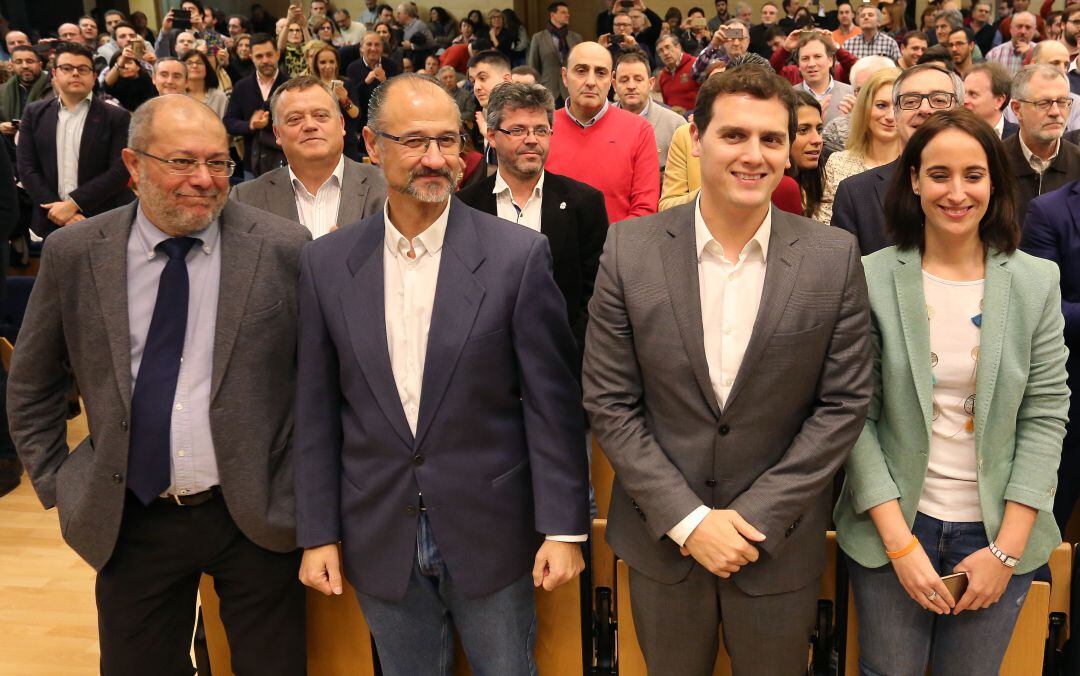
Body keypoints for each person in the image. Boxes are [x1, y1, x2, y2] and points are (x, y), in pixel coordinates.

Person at [294, 73, 589, 676]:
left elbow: (551, 406)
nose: (435, 160)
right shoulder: (326, 263)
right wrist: (317, 532)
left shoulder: (517, 257)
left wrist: (564, 527)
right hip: (378, 529)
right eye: (414, 142)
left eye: (448, 141)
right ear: (372, 146)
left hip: (493, 528)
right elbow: (317, 411)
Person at [583, 63, 872, 675]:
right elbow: (610, 401)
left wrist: (754, 519)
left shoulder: (832, 256)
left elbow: (844, 404)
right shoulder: (629, 249)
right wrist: (689, 522)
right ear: (696, 136)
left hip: (778, 546)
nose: (755, 155)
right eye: (735, 135)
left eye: (772, 139)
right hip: (664, 544)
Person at [834, 107, 1069, 676]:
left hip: (996, 530)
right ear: (913, 180)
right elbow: (853, 418)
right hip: (895, 523)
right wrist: (900, 545)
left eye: (974, 174)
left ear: (994, 181)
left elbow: (1044, 415)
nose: (957, 191)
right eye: (939, 175)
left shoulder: (1036, 281)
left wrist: (1005, 551)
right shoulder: (869, 276)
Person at [456, 82, 607, 358]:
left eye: (541, 130)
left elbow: (596, 295)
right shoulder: (465, 207)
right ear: (491, 135)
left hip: (564, 363)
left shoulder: (584, 203)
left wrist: (565, 353)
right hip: (484, 366)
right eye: (517, 130)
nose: (532, 139)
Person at [831, 63, 964, 254]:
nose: (925, 109)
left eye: (939, 100)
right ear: (896, 114)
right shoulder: (856, 194)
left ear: (959, 110)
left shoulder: (987, 186)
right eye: (910, 101)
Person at [231, 75, 386, 236]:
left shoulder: (387, 188)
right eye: (295, 119)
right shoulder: (245, 199)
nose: (310, 125)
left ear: (341, 124)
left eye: (321, 116)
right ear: (277, 133)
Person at [16, 42, 134, 239]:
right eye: (67, 68)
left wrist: (73, 205)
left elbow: (119, 171)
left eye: (83, 69)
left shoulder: (117, 117)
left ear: (94, 76)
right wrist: (58, 211)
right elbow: (27, 168)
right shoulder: (34, 113)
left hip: (102, 218)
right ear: (54, 74)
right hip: (49, 219)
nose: (75, 73)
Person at [546, 42, 659, 223]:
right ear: (565, 77)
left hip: (618, 248)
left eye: (600, 73)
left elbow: (644, 208)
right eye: (581, 71)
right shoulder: (543, 128)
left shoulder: (639, 130)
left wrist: (613, 249)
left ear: (611, 81)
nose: (591, 82)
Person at [818, 68, 901, 224]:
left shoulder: (917, 168)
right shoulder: (837, 163)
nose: (890, 116)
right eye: (881, 105)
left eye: (897, 107)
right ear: (865, 108)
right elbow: (824, 227)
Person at [1003, 64, 1080, 222]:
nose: (1055, 112)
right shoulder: (994, 162)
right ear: (1017, 109)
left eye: (1062, 102)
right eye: (1043, 103)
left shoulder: (1078, 162)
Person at [224, 33, 289, 178]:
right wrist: (250, 125)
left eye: (269, 55)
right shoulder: (242, 87)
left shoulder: (290, 85)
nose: (265, 60)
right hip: (251, 165)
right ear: (251, 57)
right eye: (259, 56)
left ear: (277, 55)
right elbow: (228, 121)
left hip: (286, 161)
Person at [613, 50, 686, 172]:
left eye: (638, 79)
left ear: (651, 83)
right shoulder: (600, 121)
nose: (631, 86)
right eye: (624, 80)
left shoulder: (675, 125)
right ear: (614, 85)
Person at [346, 31, 403, 149]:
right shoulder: (353, 67)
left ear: (382, 48)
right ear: (361, 48)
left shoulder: (392, 66)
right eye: (369, 44)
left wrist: (385, 82)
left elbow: (398, 97)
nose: (373, 48)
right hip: (362, 122)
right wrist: (366, 82)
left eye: (377, 45)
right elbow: (352, 98)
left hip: (387, 122)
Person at [528, 2, 582, 105]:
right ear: (553, 15)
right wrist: (535, 89)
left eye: (568, 12)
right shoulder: (539, 37)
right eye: (563, 12)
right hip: (548, 88)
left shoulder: (576, 38)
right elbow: (533, 66)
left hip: (570, 89)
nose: (567, 15)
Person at [0, 45, 50, 141]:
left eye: (30, 61)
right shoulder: (2, 91)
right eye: (18, 62)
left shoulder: (54, 88)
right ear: (11, 65)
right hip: (8, 145)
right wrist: (1, 126)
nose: (25, 66)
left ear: (40, 64)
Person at [790, 90, 826, 218]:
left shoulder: (815, 180)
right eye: (803, 130)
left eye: (819, 129)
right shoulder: (778, 190)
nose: (818, 140)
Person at [964, 62, 1020, 138]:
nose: (965, 101)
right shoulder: (954, 135)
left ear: (999, 101)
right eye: (964, 93)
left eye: (973, 94)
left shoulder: (1019, 137)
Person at [656, 34, 700, 114]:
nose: (665, 53)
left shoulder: (695, 64)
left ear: (678, 47)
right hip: (673, 121)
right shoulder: (662, 76)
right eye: (660, 51)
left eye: (668, 47)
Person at [181, 49, 228, 118]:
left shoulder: (219, 97)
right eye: (189, 63)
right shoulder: (177, 95)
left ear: (207, 68)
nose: (194, 66)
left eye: (199, 63)